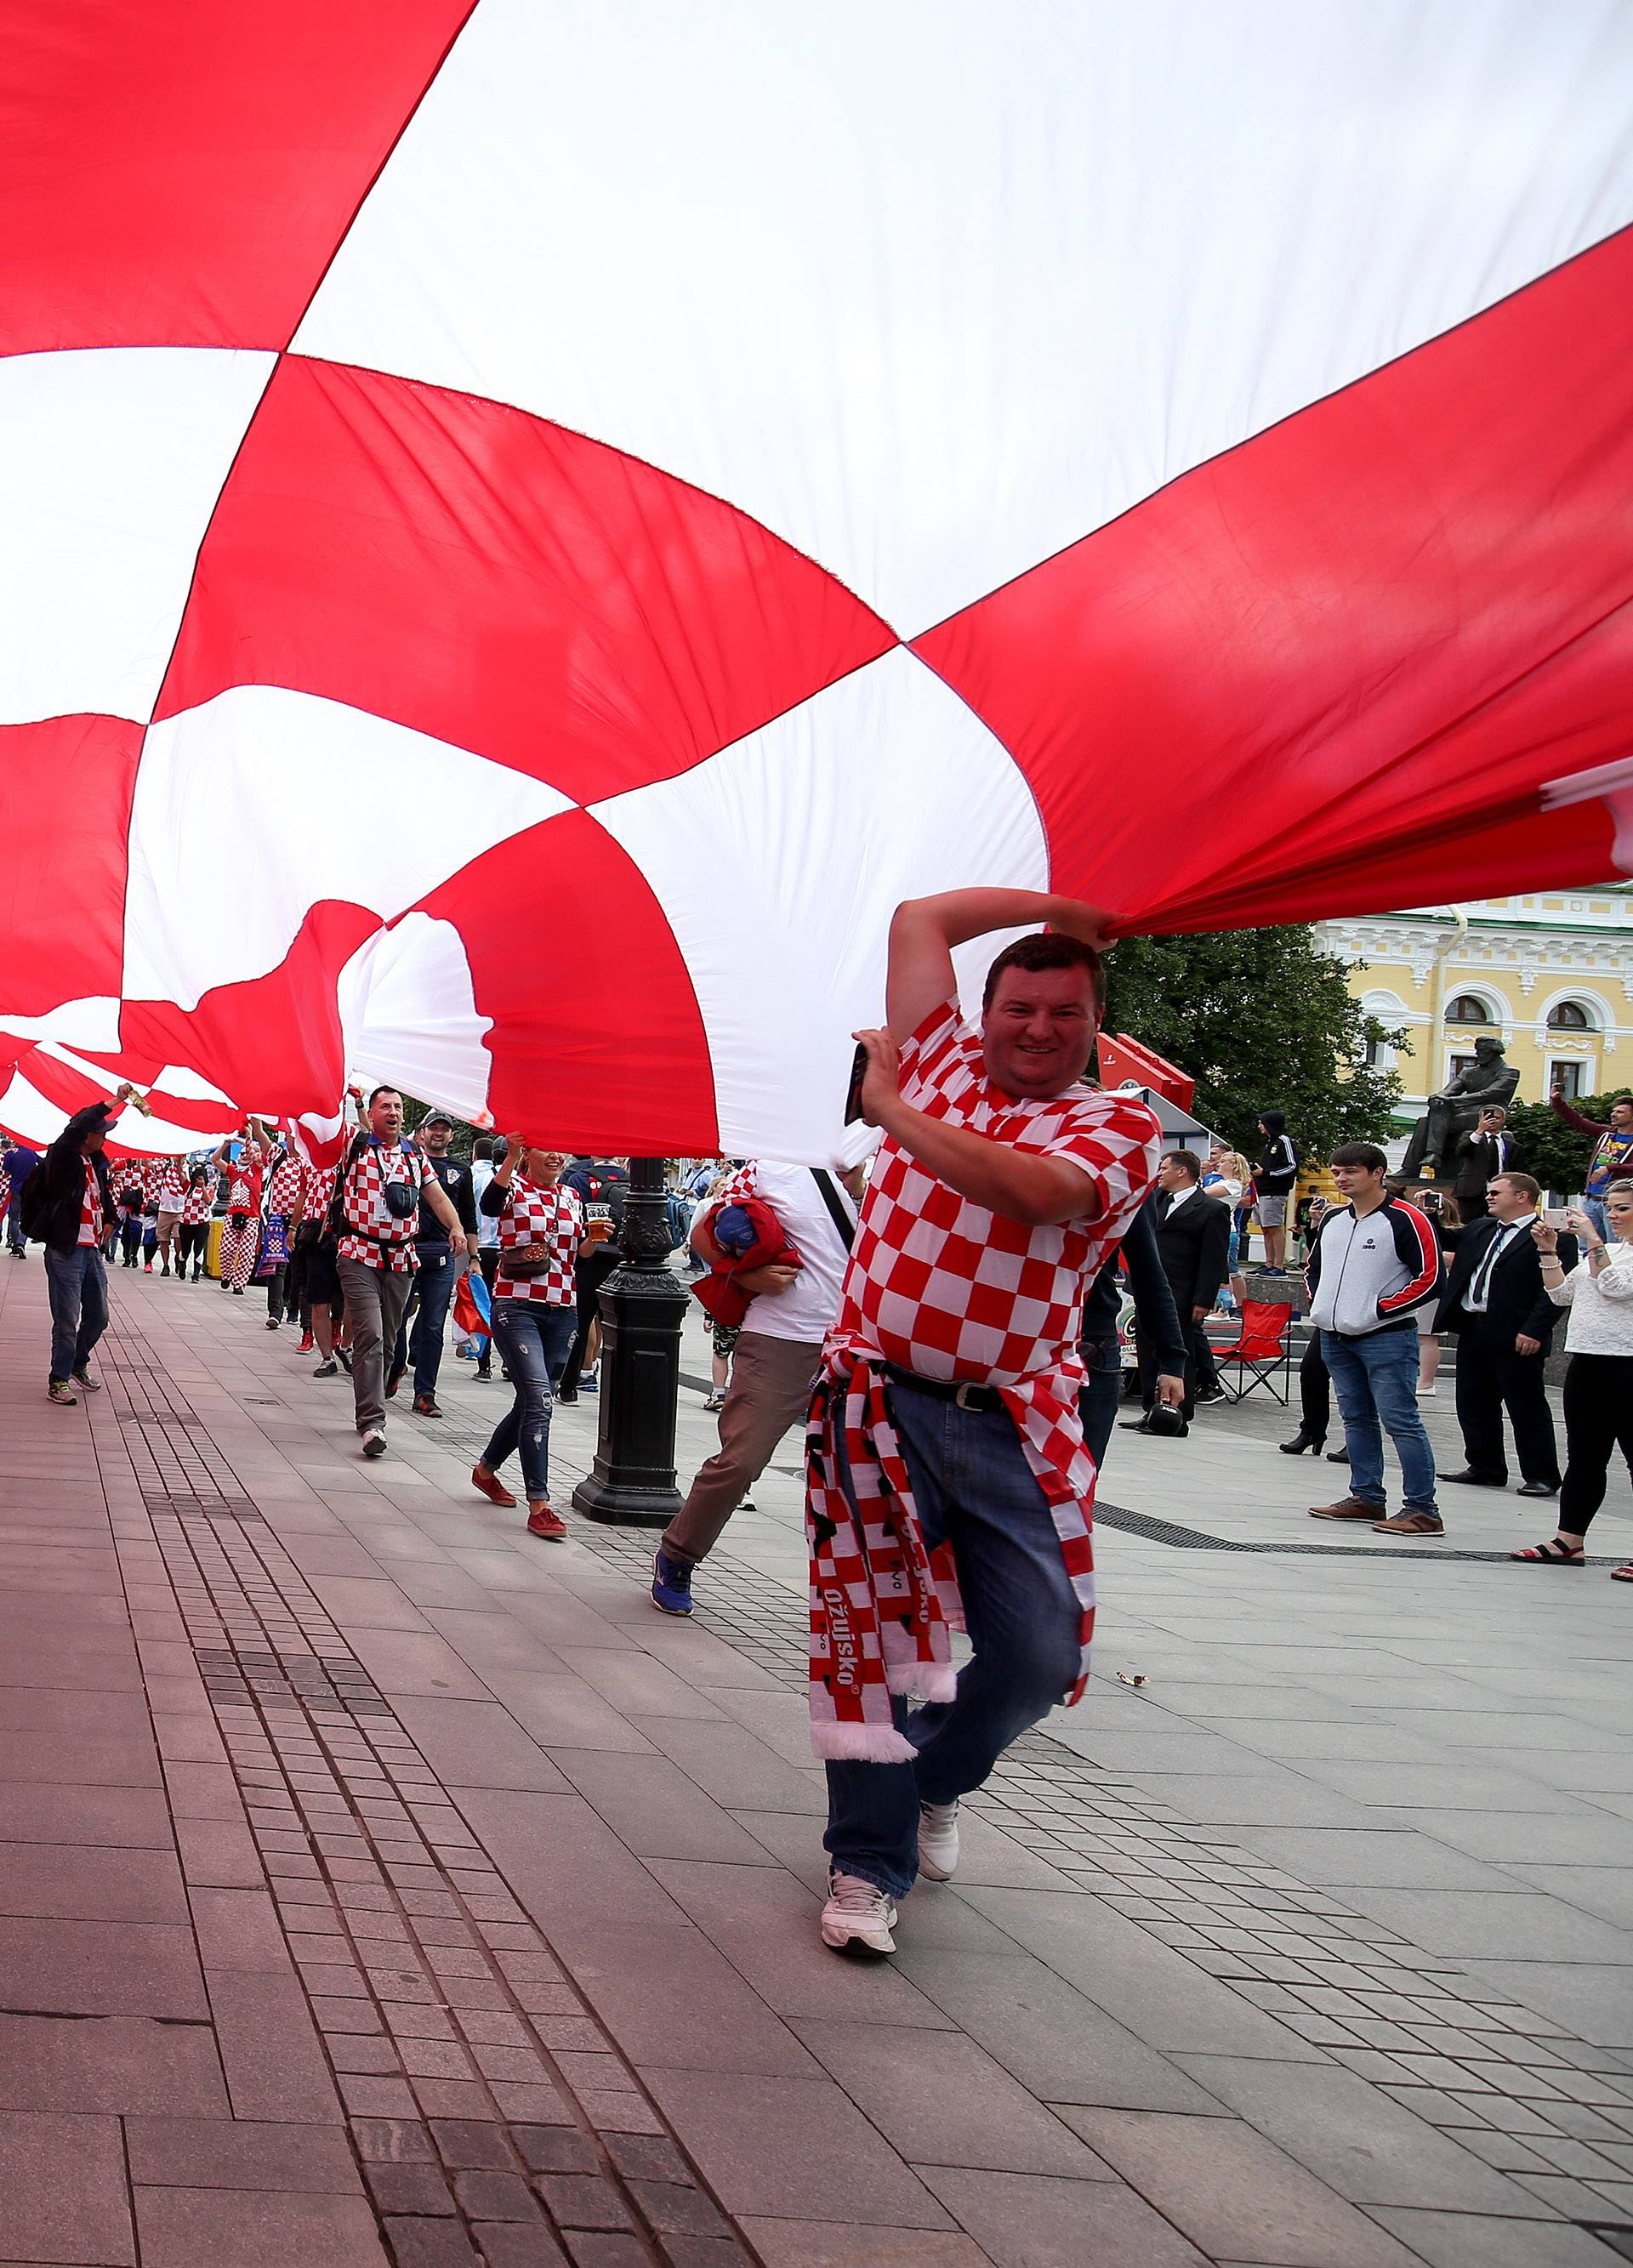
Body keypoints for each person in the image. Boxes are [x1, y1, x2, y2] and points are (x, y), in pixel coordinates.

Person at [810, 889, 1160, 1959]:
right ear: (989, 1008)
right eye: (1021, 1007)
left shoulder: (1117, 1122)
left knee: (1039, 1653)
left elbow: (1035, 1196)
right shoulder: (943, 1059)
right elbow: (920, 919)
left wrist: (892, 1110)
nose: (1041, 1030)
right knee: (866, 1637)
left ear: (1095, 1023)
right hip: (877, 1398)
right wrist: (1075, 907)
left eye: (1065, 1012)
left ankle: (935, 1775)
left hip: (1013, 1417)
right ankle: (866, 1866)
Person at [650, 1156, 865, 1616]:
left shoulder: (903, 1157)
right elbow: (703, 1231)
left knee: (875, 1475)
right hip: (783, 1337)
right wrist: (744, 1275)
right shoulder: (778, 1164)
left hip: (870, 1340)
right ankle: (679, 1554)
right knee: (742, 1461)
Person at [1306, 1144, 1443, 1536]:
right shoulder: (1334, 1219)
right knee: (1356, 1418)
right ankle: (1366, 1496)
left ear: (1378, 1172)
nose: (1341, 1179)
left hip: (1385, 1336)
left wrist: (1378, 1309)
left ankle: (1423, 1508)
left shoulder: (1406, 1219)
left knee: (1400, 1420)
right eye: (1336, 1172)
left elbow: (1431, 1278)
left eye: (1350, 1171)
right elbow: (1313, 1269)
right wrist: (1323, 1307)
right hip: (1335, 1333)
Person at [333, 1087, 469, 1456]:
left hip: (402, 1261)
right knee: (372, 1336)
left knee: (389, 1342)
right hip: (358, 1254)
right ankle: (372, 1423)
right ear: (372, 1113)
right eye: (385, 1106)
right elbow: (326, 1126)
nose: (393, 1112)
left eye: (398, 1107)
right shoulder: (355, 1146)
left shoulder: (415, 1157)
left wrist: (455, 1227)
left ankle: (373, 1397)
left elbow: (438, 1197)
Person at [470, 1142, 592, 1538]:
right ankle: (539, 1503)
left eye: (562, 1151)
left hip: (564, 1308)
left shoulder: (573, 1195)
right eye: (546, 1150)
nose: (557, 1156)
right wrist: (510, 1156)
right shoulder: (513, 1188)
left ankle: (486, 1470)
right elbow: (489, 1205)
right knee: (540, 1399)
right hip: (518, 1306)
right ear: (528, 1155)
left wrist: (596, 1239)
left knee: (532, 1399)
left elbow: (579, 1253)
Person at [1516, 1182, 1633, 1575]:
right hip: (1588, 1361)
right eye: (1610, 1207)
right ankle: (1569, 1540)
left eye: (1622, 1208)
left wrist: (1593, 1239)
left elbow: (1616, 1288)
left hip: (1628, 1364)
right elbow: (1562, 1295)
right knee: (1584, 1457)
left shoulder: (1607, 1251)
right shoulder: (1610, 1251)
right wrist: (1548, 1251)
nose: (1613, 1215)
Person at [1436, 1172, 1568, 1498]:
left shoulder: (1550, 1236)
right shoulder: (1481, 1228)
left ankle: (1541, 1474)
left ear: (1522, 1196)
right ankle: (1485, 1465)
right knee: (1473, 1402)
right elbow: (1439, 1238)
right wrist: (1429, 1212)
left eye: (1496, 1192)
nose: (1489, 1197)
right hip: (1474, 1325)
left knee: (1526, 1405)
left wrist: (1535, 1330)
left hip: (1517, 1333)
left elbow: (1556, 1291)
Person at [23, 1085, 135, 1402]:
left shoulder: (96, 1164)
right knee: (67, 1319)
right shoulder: (64, 1157)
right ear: (86, 1135)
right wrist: (116, 1100)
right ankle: (58, 1379)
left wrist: (110, 1219)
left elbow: (104, 1199)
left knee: (99, 1316)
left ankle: (76, 1363)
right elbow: (76, 1125)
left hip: (91, 1252)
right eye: (101, 1132)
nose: (104, 1137)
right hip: (66, 1250)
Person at [1121, 1152, 1230, 1426]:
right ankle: (1151, 1411)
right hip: (1148, 1290)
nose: (1159, 1172)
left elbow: (1213, 1259)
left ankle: (1179, 1414)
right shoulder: (1154, 1201)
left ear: (1183, 1172)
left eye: (1165, 1168)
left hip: (1183, 1294)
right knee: (1146, 1350)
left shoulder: (1211, 1209)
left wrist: (1203, 1300)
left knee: (1180, 1354)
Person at [385, 1111, 479, 1416]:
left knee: (434, 1324)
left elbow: (468, 1217)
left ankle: (425, 1392)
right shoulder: (407, 1161)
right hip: (406, 1248)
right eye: (433, 1128)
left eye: (445, 1129)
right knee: (396, 1317)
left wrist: (474, 1258)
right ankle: (397, 1364)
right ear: (422, 1132)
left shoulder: (460, 1170)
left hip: (441, 1254)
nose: (439, 1133)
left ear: (451, 1135)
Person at [1078, 1206, 1186, 1464]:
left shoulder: (1123, 1173)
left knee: (1074, 1484)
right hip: (1078, 1340)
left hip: (1090, 1343)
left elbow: (1149, 1275)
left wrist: (1172, 1361)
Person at [555, 1156, 629, 1402]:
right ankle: (619, 1389)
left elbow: (574, 1219)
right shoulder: (634, 1181)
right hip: (625, 1260)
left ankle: (568, 1387)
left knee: (582, 1321)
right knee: (621, 1326)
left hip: (592, 1257)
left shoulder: (580, 1179)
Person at [1550, 1089, 1633, 1242]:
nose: (1613, 1114)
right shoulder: (1607, 1134)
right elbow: (1578, 1122)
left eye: (1620, 1112)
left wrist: (1610, 1168)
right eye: (1613, 1111)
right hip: (1592, 1198)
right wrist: (1557, 1102)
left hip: (1615, 1202)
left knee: (1615, 1246)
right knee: (1588, 1244)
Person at [1411, 1187, 1462, 1395]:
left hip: (1436, 1286)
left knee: (1427, 1335)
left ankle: (1426, 1382)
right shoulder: (1427, 1229)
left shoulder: (1455, 1232)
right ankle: (1422, 1380)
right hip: (1422, 1285)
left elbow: (1452, 1259)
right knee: (1421, 1335)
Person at [211, 1122, 270, 1294]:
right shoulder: (233, 1170)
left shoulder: (257, 1168)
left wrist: (245, 1137)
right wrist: (226, 1144)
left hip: (252, 1215)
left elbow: (256, 1153)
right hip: (232, 1214)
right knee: (226, 1249)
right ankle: (227, 1275)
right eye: (242, 1154)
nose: (244, 1155)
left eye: (247, 1154)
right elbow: (214, 1160)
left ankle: (239, 1284)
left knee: (246, 1251)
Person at [1450, 1103, 1522, 1222]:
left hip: (1501, 1192)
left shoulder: (1512, 1144)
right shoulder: (1471, 1137)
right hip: (1472, 1191)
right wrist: (1479, 1131)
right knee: (1468, 1224)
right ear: (1480, 1119)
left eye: (1497, 1118)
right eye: (1488, 1118)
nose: (1492, 1121)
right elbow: (1462, 1151)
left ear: (1503, 1120)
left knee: (1498, 1224)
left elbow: (1517, 1171)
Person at [259, 1140, 305, 1327]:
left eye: (293, 1134)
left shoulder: (309, 1162)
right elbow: (262, 1137)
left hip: (302, 1221)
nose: (289, 1138)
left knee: (297, 1268)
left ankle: (294, 1309)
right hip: (278, 1220)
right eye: (288, 1134)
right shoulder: (278, 1156)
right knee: (276, 1265)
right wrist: (256, 1116)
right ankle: (275, 1312)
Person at [470, 1136, 502, 1381]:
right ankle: (510, 1362)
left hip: (483, 1247)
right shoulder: (520, 1180)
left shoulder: (479, 1177)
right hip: (509, 1251)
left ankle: (483, 1361)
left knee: (484, 1303)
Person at [1254, 1110, 1300, 1273]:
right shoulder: (1269, 1143)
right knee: (1266, 1229)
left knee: (1274, 1227)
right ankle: (1269, 1263)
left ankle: (1278, 1266)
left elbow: (1292, 1166)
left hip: (1275, 1191)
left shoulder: (1284, 1141)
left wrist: (1265, 1173)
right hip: (1263, 1191)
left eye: (1262, 1123)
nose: (1259, 1126)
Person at [151, 1152, 188, 1278]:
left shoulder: (188, 1169)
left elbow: (186, 1185)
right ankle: (165, 1265)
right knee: (163, 1239)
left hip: (180, 1210)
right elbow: (149, 1165)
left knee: (178, 1237)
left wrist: (179, 1170)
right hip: (164, 1209)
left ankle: (179, 1257)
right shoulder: (165, 1167)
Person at [4, 1137, 40, 1256]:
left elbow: (7, 1172)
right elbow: (41, 1165)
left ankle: (14, 1245)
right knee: (25, 1217)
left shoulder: (10, 1154)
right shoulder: (32, 1153)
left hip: (15, 1189)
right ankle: (21, 1243)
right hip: (29, 1190)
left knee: (14, 1218)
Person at [179, 1164, 213, 1281]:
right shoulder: (188, 1187)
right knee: (185, 1248)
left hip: (201, 1223)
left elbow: (208, 1201)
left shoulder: (209, 1188)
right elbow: (180, 1173)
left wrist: (203, 1187)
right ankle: (182, 1264)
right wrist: (179, 1161)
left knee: (198, 1249)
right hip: (187, 1222)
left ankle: (196, 1274)